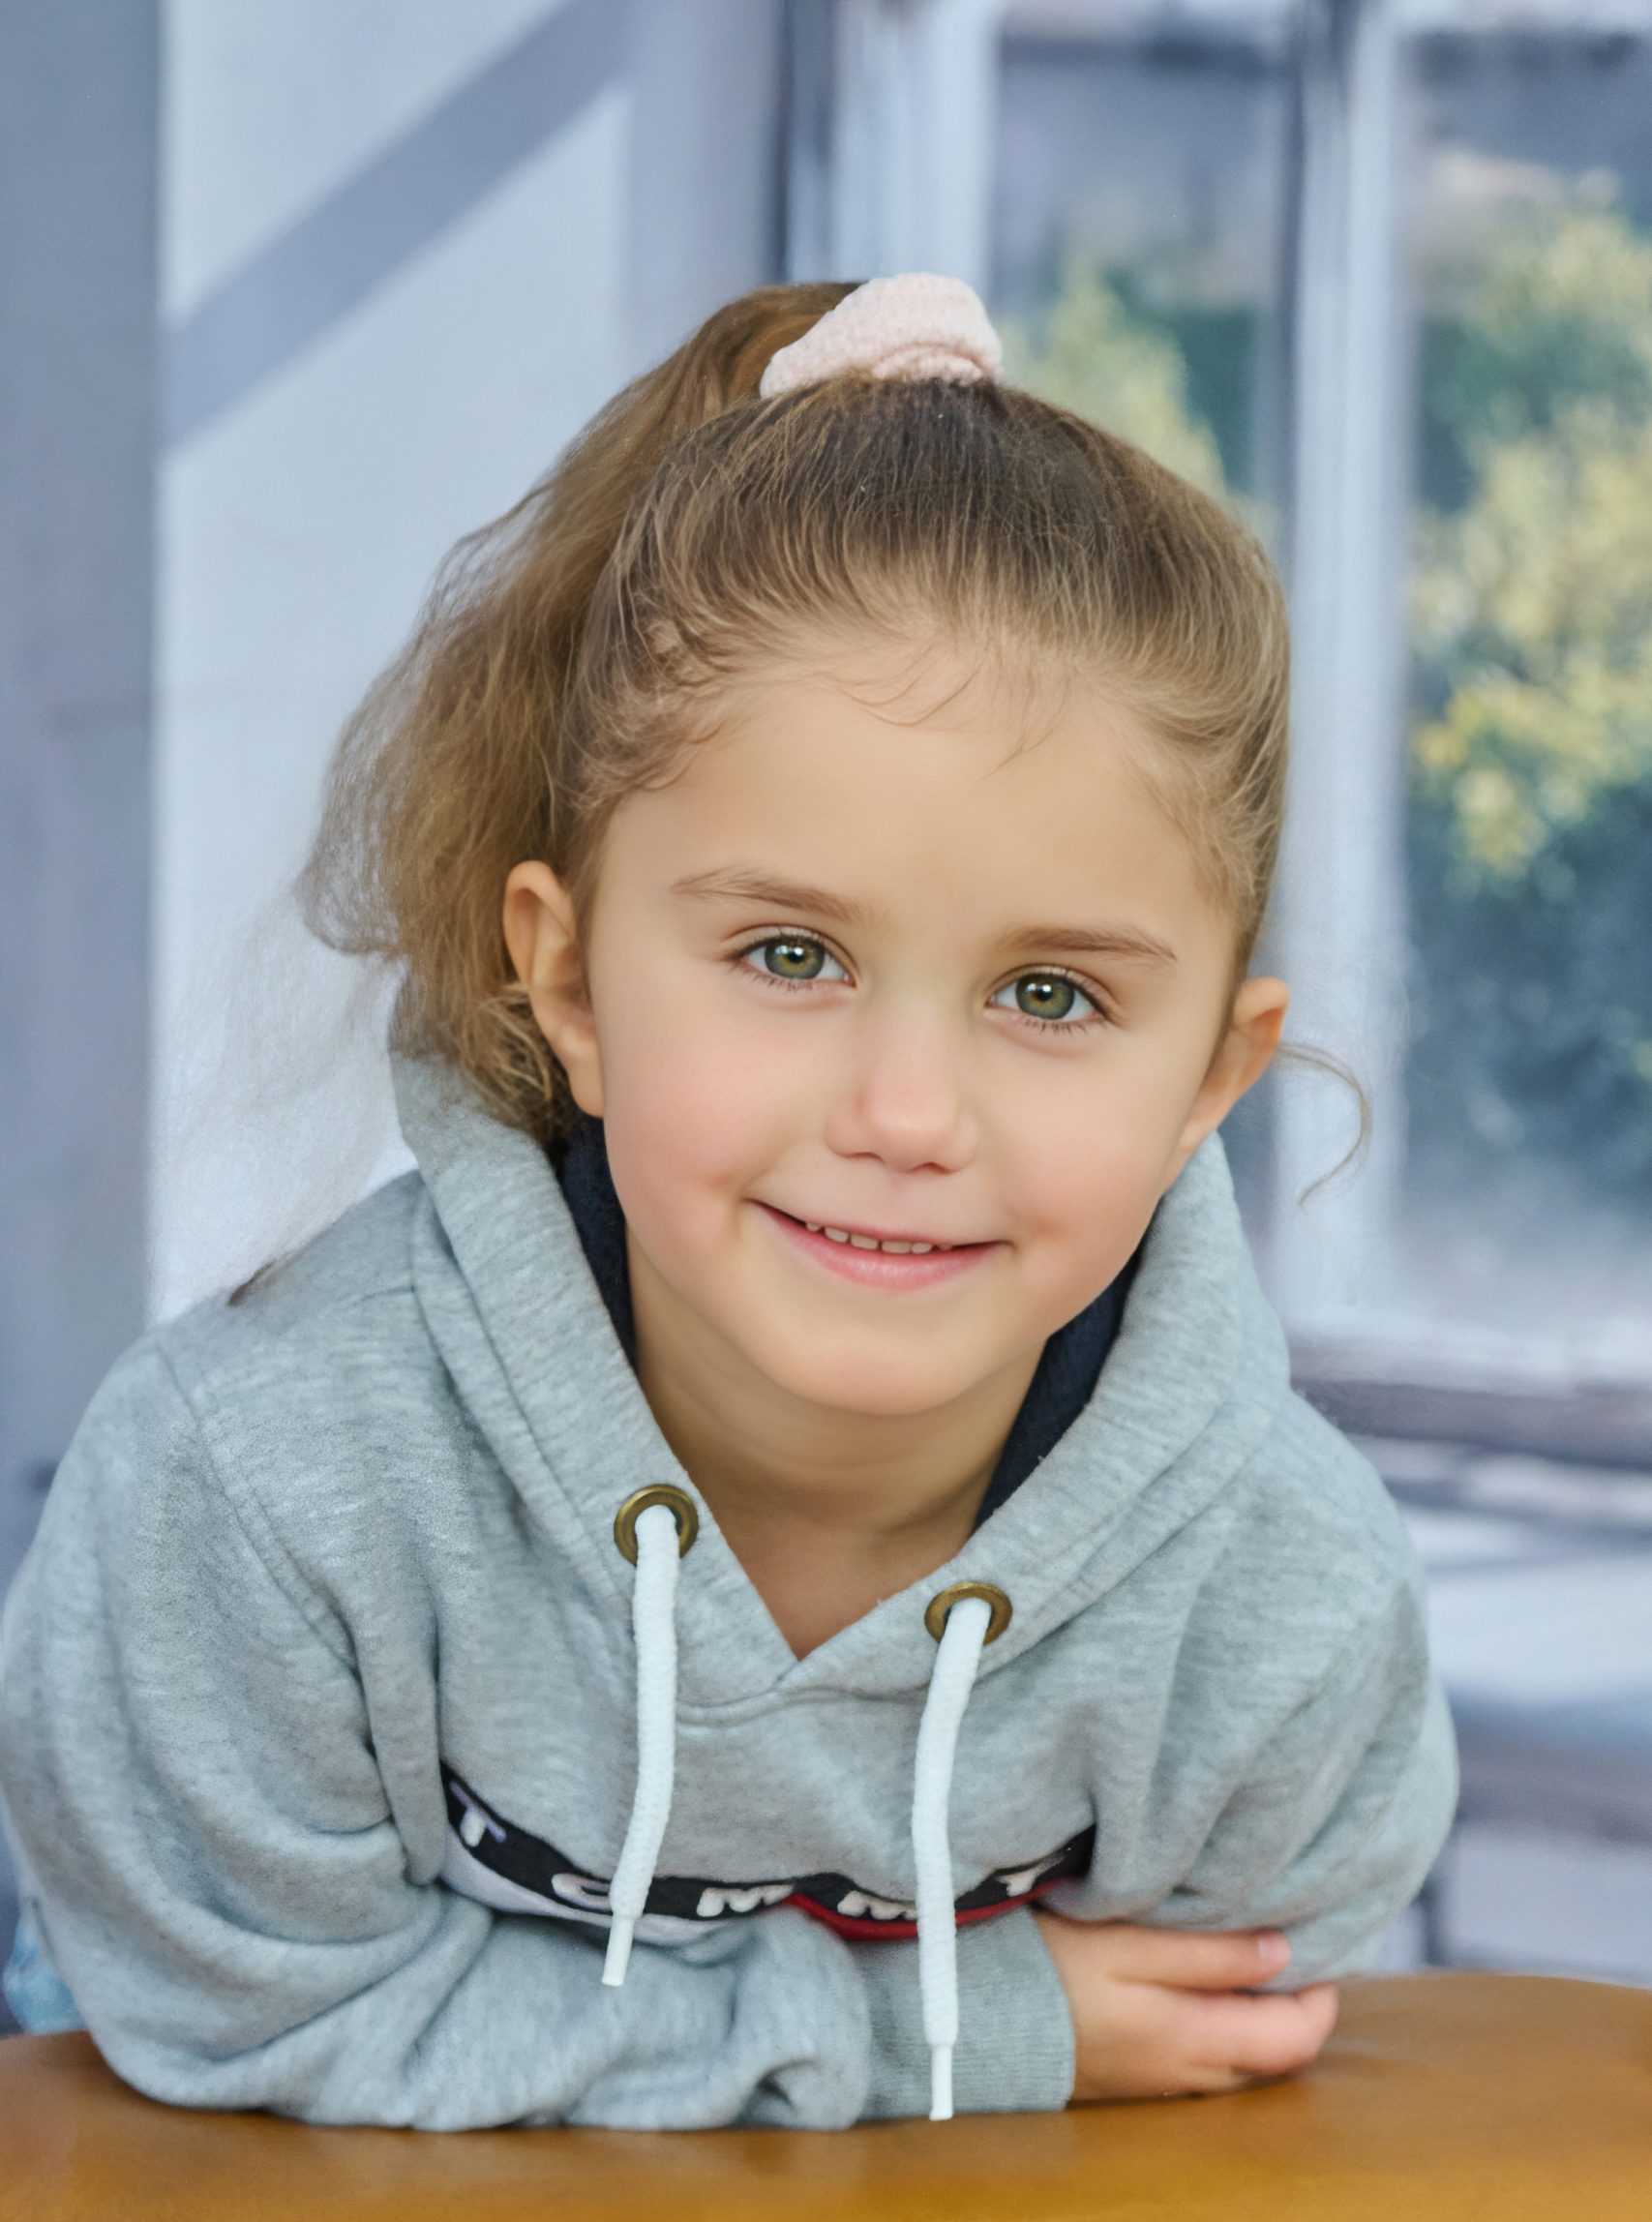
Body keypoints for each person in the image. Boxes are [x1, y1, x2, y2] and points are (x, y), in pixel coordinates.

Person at [0, 273, 1457, 2128]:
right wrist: (944, 2036)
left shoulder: (1286, 1601)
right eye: (789, 954)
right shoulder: (257, 1498)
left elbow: (1222, 2064)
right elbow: (243, 2026)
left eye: (1049, 994)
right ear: (571, 983)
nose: (908, 1116)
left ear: (1208, 1087)